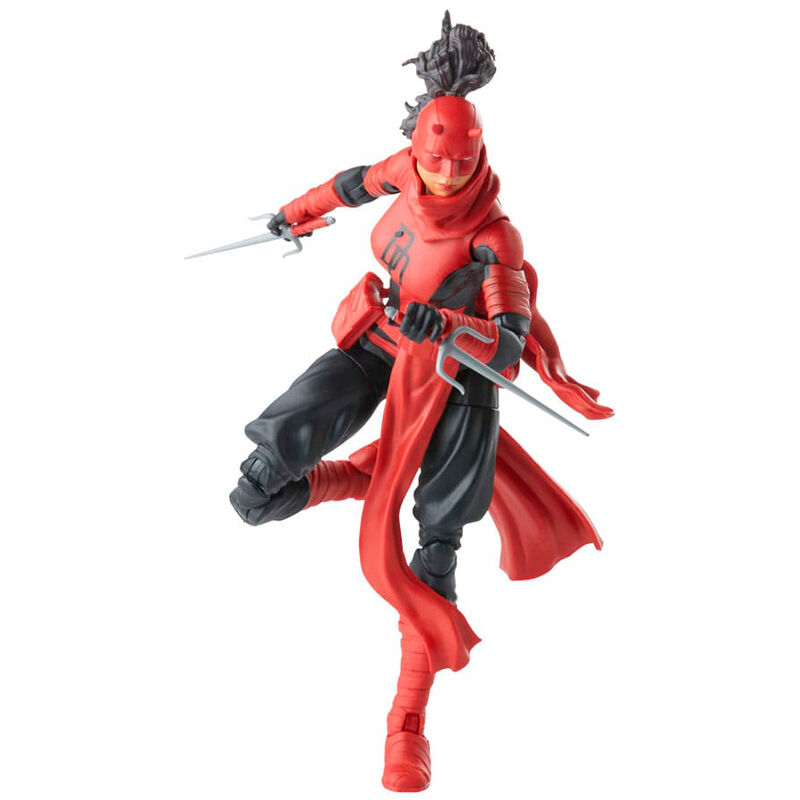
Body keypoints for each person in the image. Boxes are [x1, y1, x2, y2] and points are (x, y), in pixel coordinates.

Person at [228, 13, 613, 792]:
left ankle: (406, 724)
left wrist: (453, 326)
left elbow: (507, 344)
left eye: (457, 164)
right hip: (382, 338)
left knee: (434, 553)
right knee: (256, 488)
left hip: (457, 377)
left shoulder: (495, 240)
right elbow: (350, 185)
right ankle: (346, 480)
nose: (442, 177)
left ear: (477, 155)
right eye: (434, 161)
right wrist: (295, 214)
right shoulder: (405, 169)